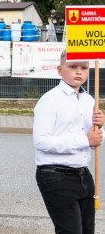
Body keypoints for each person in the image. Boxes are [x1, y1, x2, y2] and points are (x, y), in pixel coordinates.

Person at [34, 50, 103, 234]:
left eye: (84, 68)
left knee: (88, 231)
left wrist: (100, 127)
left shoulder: (89, 100)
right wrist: (85, 140)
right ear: (59, 70)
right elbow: (42, 142)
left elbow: (95, 138)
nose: (79, 72)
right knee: (70, 231)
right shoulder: (50, 100)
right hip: (55, 175)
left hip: (83, 175)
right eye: (72, 67)